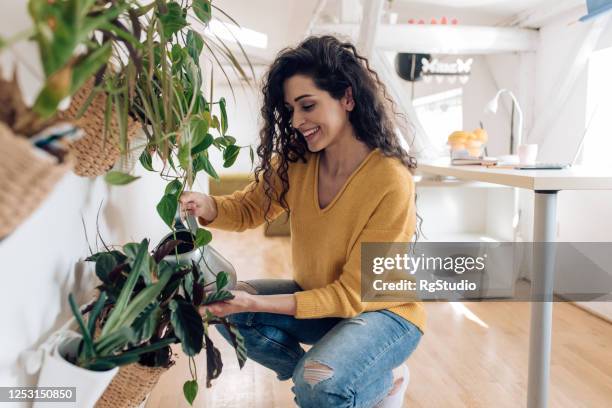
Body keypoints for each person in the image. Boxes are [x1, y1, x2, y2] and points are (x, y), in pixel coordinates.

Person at [180, 35, 425, 408]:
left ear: (346, 97)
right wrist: (207, 206)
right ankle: (361, 378)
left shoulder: (390, 180)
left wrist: (256, 303)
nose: (296, 121)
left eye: (307, 105)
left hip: (383, 314)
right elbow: (248, 209)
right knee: (226, 309)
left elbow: (351, 296)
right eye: (290, 109)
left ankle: (357, 380)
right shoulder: (299, 163)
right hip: (324, 305)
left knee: (317, 382)